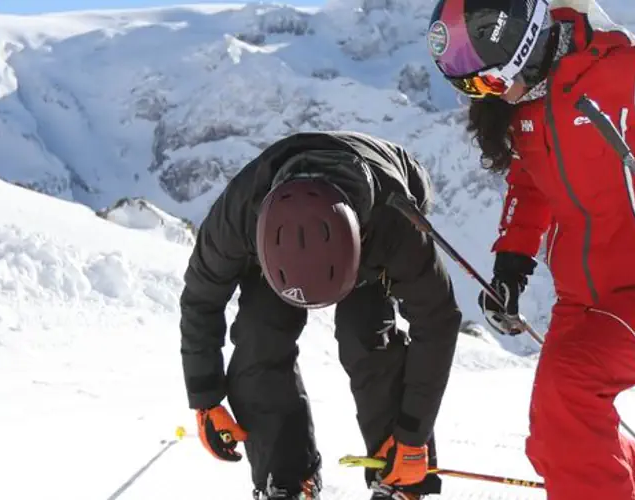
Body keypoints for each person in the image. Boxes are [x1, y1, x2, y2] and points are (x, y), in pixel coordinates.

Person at [424, 0, 635, 498]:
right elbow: (529, 184)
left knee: (569, 398)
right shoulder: (523, 105)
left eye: (489, 81)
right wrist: (512, 264)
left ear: (524, 47)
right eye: (470, 87)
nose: (487, 96)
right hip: (580, 297)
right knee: (553, 435)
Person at [179, 131, 465, 500]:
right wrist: (205, 398)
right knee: (257, 335)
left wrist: (412, 436)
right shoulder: (236, 218)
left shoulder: (396, 226)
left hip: (377, 209)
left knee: (365, 336)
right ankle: (284, 478)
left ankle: (400, 475)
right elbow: (200, 298)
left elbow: (436, 322)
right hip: (284, 249)